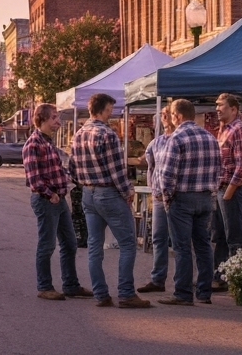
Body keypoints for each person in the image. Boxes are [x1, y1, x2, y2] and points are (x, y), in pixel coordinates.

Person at [68, 93, 151, 309]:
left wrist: (86, 182)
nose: (111, 114)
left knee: (95, 245)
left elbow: (72, 170)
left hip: (88, 192)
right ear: (103, 109)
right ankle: (126, 293)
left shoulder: (78, 135)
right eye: (110, 110)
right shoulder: (107, 134)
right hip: (108, 193)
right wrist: (127, 191)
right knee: (127, 243)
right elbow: (116, 170)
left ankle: (100, 293)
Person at [156, 98, 221, 306]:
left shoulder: (176, 138)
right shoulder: (211, 138)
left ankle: (183, 293)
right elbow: (219, 171)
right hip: (205, 197)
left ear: (177, 116)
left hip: (182, 198)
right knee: (203, 245)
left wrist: (167, 200)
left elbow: (167, 175)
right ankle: (204, 291)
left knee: (182, 247)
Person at [24, 104, 89, 301]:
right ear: (42, 119)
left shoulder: (49, 143)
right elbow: (34, 179)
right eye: (54, 118)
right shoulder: (33, 144)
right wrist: (49, 193)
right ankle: (44, 286)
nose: (58, 122)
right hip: (46, 200)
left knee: (70, 243)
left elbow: (59, 171)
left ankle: (70, 284)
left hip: (59, 200)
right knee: (47, 245)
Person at [212, 93, 242, 289]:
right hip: (220, 190)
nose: (217, 108)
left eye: (221, 105)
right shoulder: (223, 130)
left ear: (234, 109)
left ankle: (237, 281)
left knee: (234, 236)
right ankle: (220, 276)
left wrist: (229, 191)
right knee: (220, 235)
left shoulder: (239, 130)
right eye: (216, 105)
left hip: (232, 191)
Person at [137, 103, 177, 294]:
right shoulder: (156, 142)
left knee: (180, 240)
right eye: (162, 114)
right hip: (160, 197)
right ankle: (157, 279)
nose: (165, 117)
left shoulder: (180, 139)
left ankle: (183, 282)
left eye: (168, 113)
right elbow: (150, 167)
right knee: (158, 238)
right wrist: (153, 189)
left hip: (178, 197)